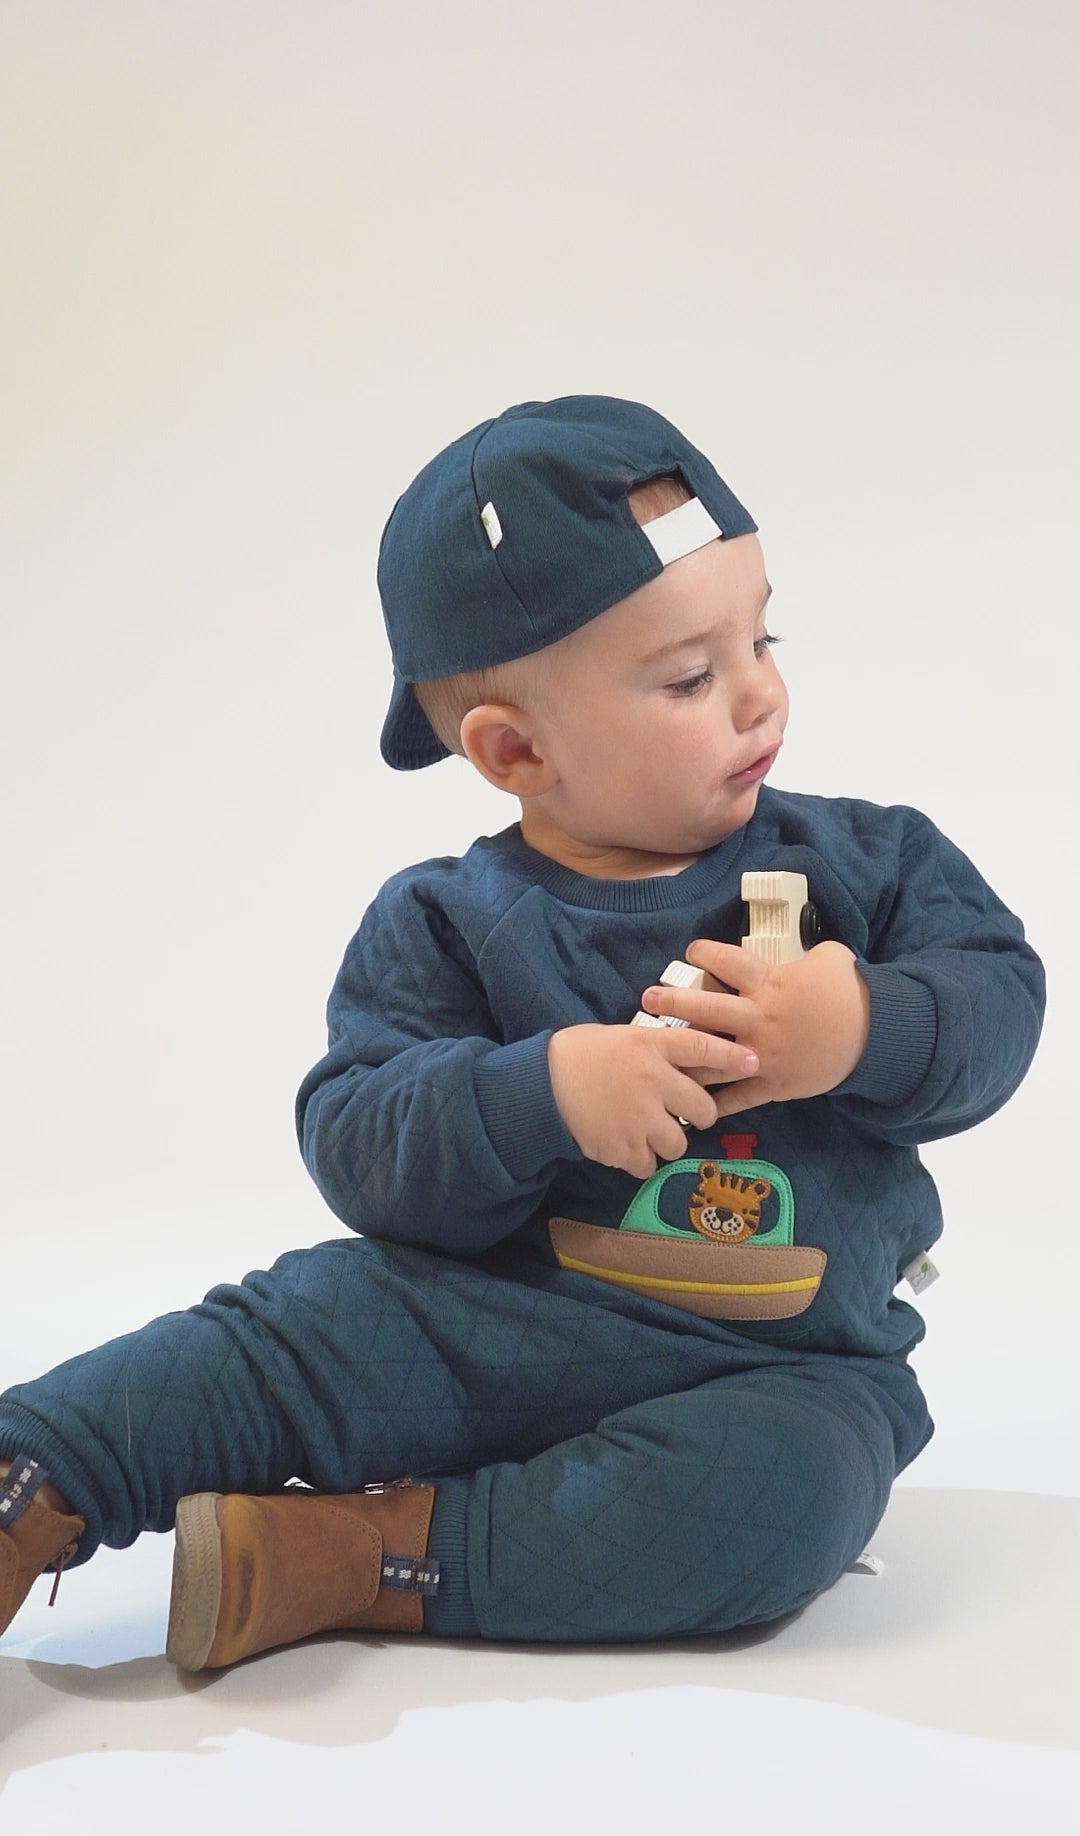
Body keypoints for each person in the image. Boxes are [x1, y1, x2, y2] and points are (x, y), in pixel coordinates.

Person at [0, 394, 1046, 1671]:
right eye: (689, 675)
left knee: (794, 1495)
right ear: (514, 749)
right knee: (287, 1336)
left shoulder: (872, 865)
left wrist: (863, 1025)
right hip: (486, 1322)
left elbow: (1002, 1000)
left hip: (779, 1366)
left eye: (763, 634)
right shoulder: (449, 921)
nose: (759, 694)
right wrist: (539, 1092)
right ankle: (36, 1479)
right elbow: (358, 1141)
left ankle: (358, 1558)